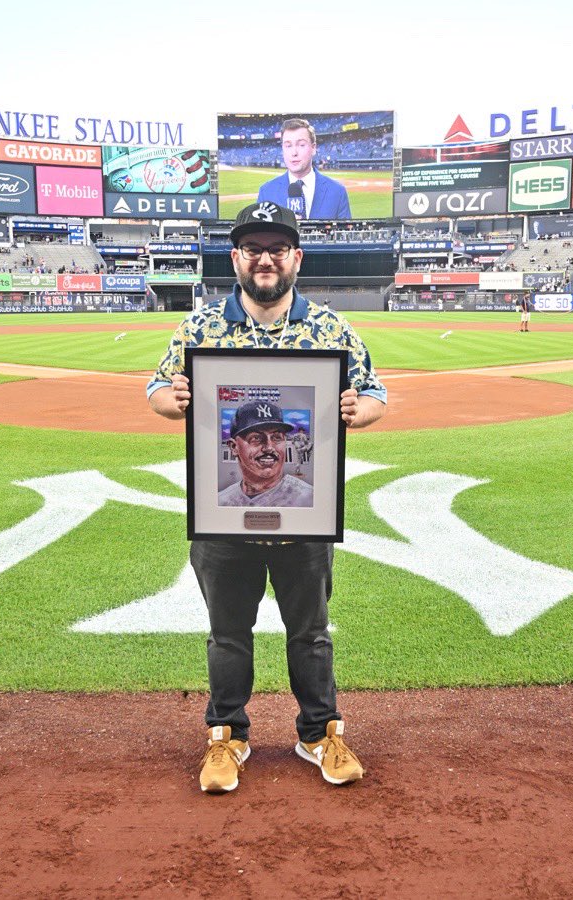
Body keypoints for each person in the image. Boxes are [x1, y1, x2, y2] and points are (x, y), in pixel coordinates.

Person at [148, 201, 386, 793]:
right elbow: (156, 387)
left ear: (295, 257)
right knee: (228, 635)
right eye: (253, 248)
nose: (265, 258)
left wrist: (361, 411)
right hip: (223, 518)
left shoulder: (330, 328)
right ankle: (226, 736)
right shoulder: (200, 327)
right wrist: (171, 398)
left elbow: (376, 391)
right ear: (236, 257)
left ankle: (318, 733)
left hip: (305, 517)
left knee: (311, 632)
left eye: (277, 248)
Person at [218, 402, 313, 507]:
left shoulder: (309, 498)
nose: (269, 447)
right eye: (256, 438)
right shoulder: (221, 501)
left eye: (277, 437)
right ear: (234, 447)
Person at [257, 118, 351, 220]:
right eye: (288, 146)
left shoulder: (337, 191)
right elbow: (261, 235)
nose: (294, 153)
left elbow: (345, 235)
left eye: (301, 145)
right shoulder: (266, 192)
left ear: (313, 148)